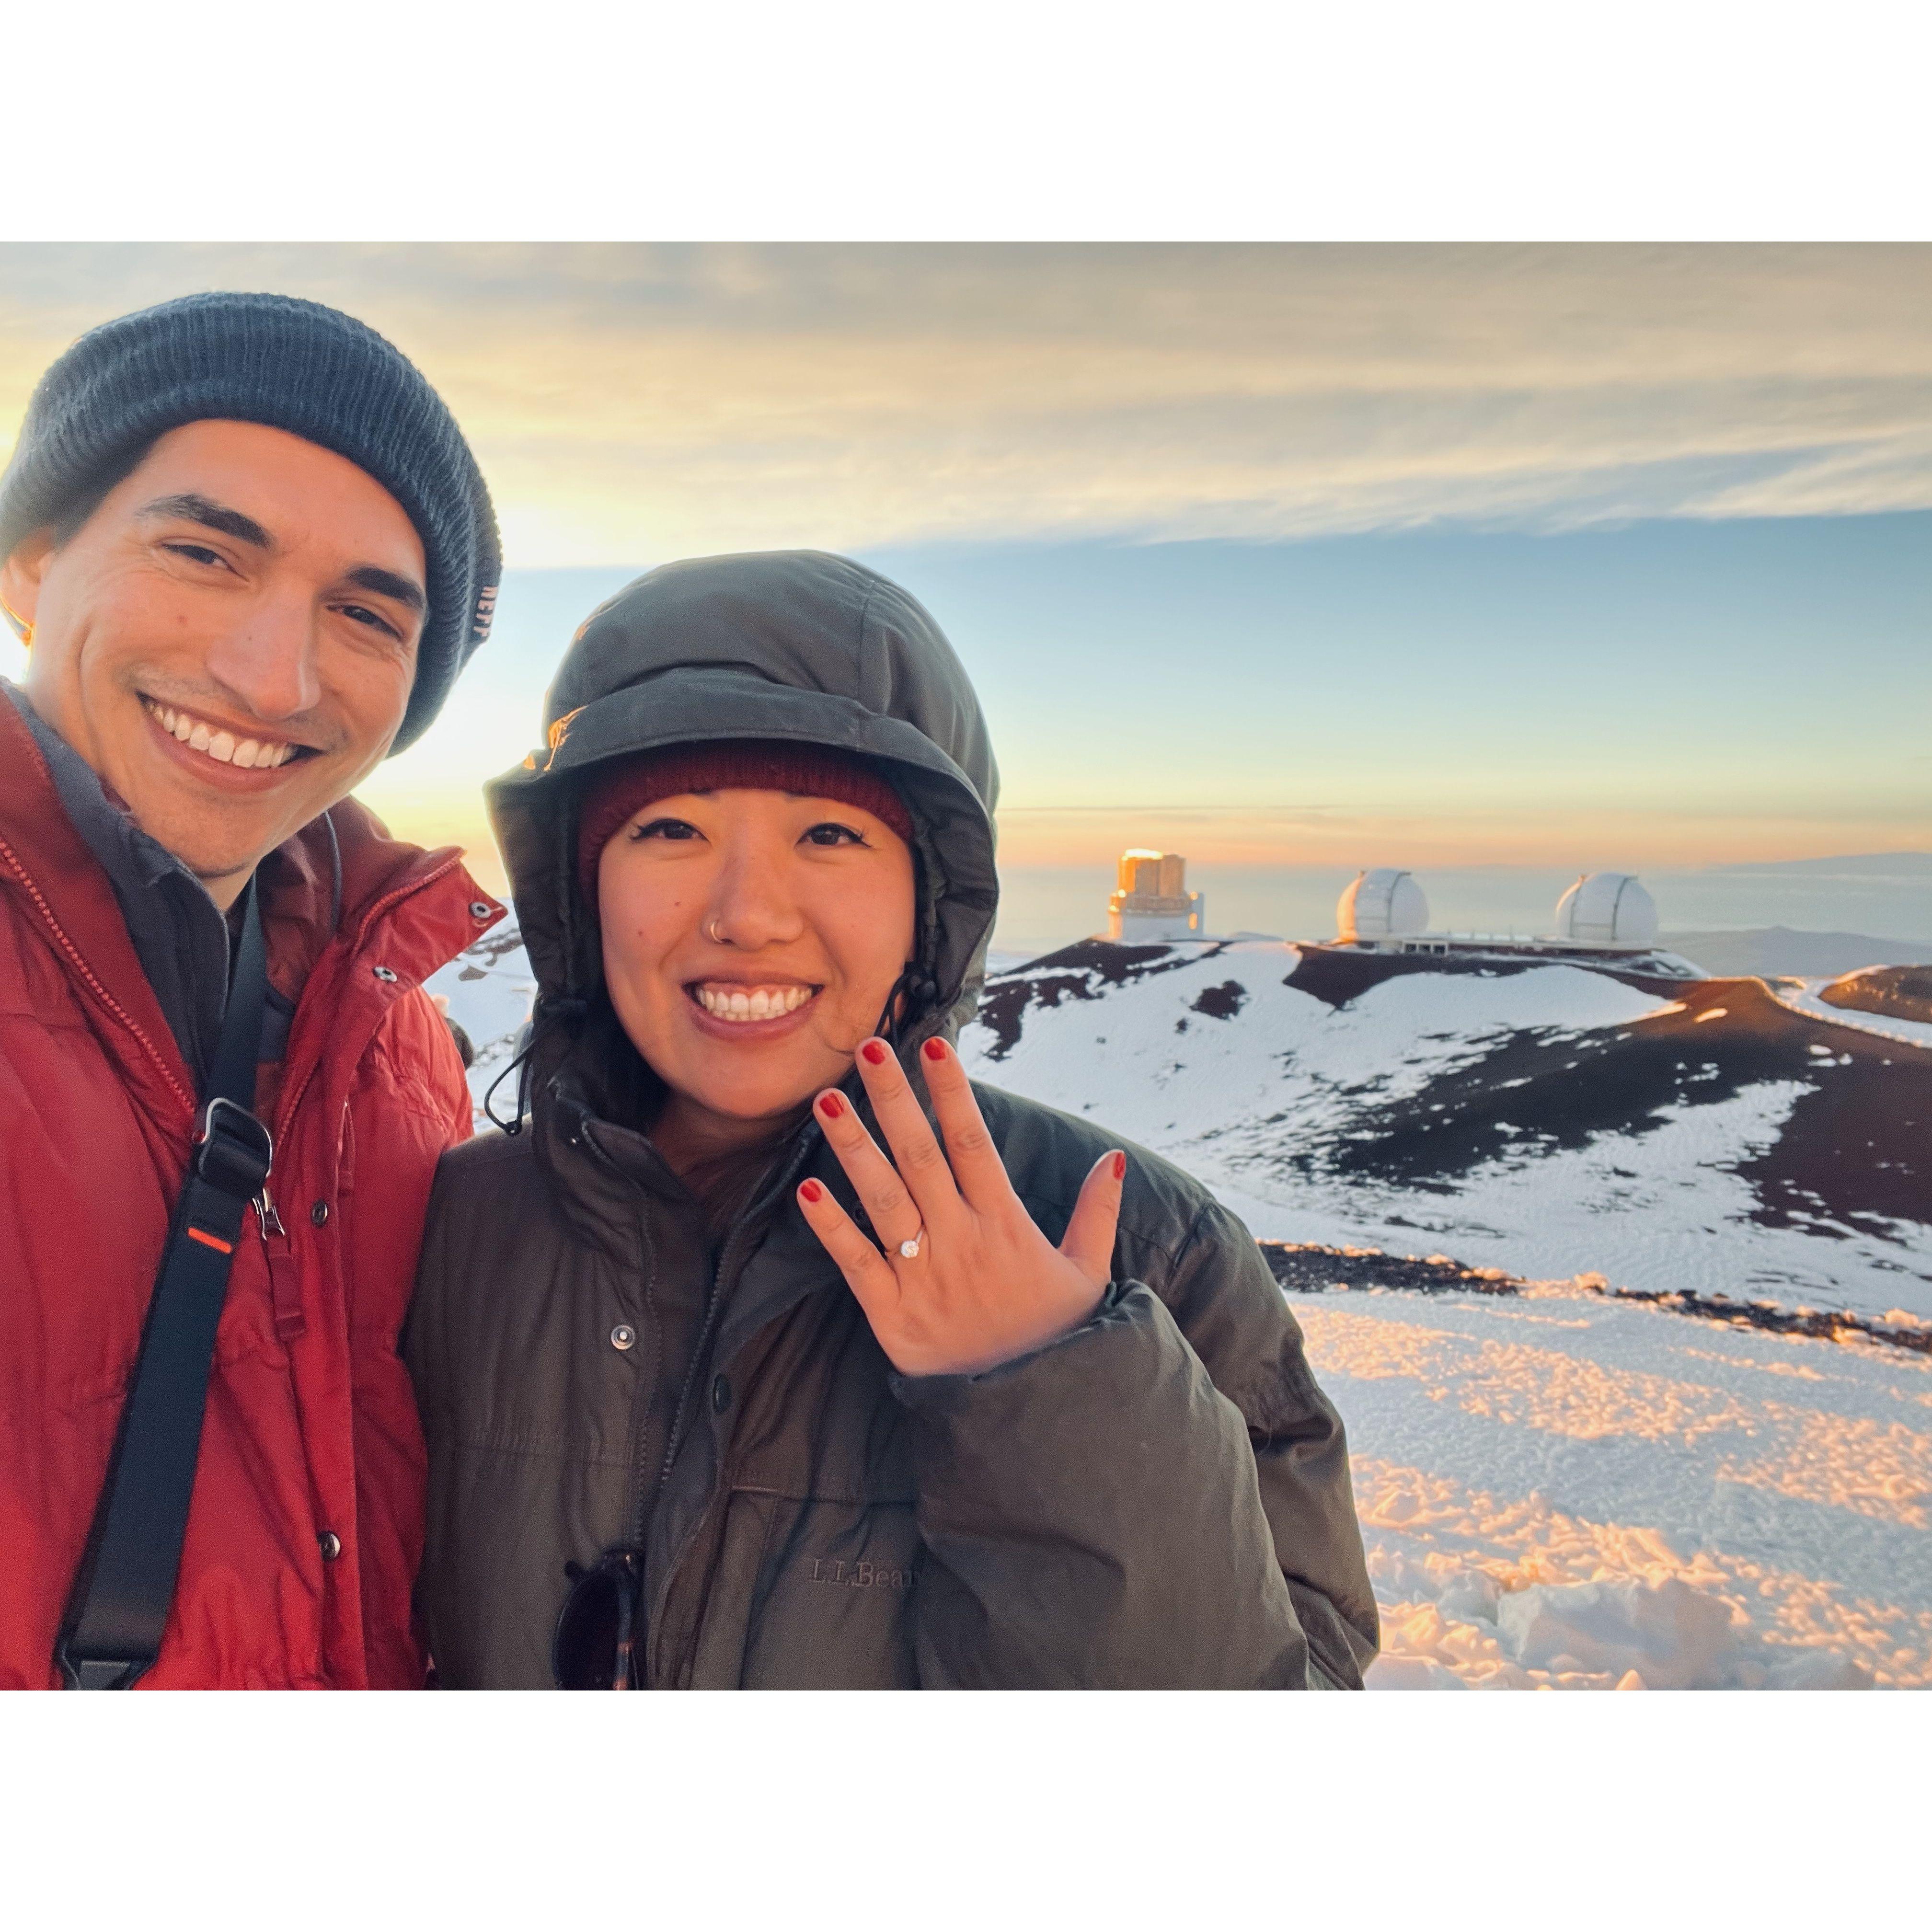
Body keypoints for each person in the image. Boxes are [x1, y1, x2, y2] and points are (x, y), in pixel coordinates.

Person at [408, 550, 1378, 1688]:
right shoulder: (449, 1233)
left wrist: (1053, 1396)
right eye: (670, 830)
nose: (748, 916)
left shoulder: (1147, 1254)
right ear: (581, 893)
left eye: (831, 835)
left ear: (932, 903)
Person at [0, 292, 503, 1689]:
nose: (273, 678)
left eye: (364, 614)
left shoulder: (396, 1035)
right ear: (34, 563)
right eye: (204, 554)